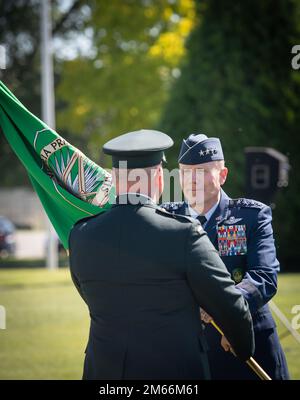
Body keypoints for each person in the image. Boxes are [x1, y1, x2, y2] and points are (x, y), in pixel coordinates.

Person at [68, 129, 255, 380]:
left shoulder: (81, 235)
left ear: (113, 177)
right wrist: (243, 348)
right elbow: (231, 305)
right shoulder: (182, 233)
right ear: (159, 176)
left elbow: (89, 296)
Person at [161, 133, 290, 380]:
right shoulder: (165, 220)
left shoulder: (252, 216)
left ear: (222, 175)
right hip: (187, 354)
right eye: (186, 172)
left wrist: (224, 308)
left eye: (201, 171)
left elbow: (264, 277)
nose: (192, 180)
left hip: (245, 346)